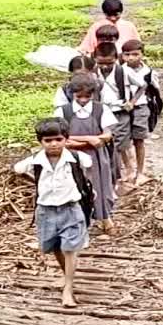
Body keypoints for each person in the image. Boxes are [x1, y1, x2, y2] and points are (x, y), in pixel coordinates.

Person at [14, 118, 93, 308]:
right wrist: (35, 179)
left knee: (70, 248)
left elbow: (86, 172)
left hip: (71, 208)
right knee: (54, 246)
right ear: (40, 142)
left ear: (66, 139)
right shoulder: (35, 161)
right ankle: (67, 275)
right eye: (48, 141)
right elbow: (17, 170)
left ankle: (68, 288)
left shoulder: (76, 158)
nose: (54, 144)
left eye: (58, 139)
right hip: (46, 210)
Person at [54, 73, 118, 234]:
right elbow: (61, 138)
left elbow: (106, 135)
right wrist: (90, 139)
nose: (83, 100)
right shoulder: (63, 112)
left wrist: (77, 141)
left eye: (87, 96)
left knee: (100, 187)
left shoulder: (101, 109)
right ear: (72, 94)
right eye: (79, 96)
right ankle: (77, 222)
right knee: (74, 187)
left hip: (96, 158)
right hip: (72, 157)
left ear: (94, 94)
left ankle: (104, 218)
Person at [94, 41, 145, 190]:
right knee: (107, 145)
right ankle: (115, 174)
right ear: (95, 59)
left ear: (116, 58)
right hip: (102, 113)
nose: (104, 67)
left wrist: (132, 101)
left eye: (109, 63)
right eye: (101, 63)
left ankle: (118, 176)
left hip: (120, 112)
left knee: (119, 145)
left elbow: (142, 85)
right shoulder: (93, 73)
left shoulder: (123, 72)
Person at [121, 39, 160, 185]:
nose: (131, 58)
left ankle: (140, 172)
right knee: (123, 141)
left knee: (139, 139)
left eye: (135, 54)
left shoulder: (149, 72)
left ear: (142, 54)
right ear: (122, 56)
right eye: (127, 54)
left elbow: (155, 90)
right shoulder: (120, 70)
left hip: (141, 107)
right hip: (123, 108)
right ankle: (129, 169)